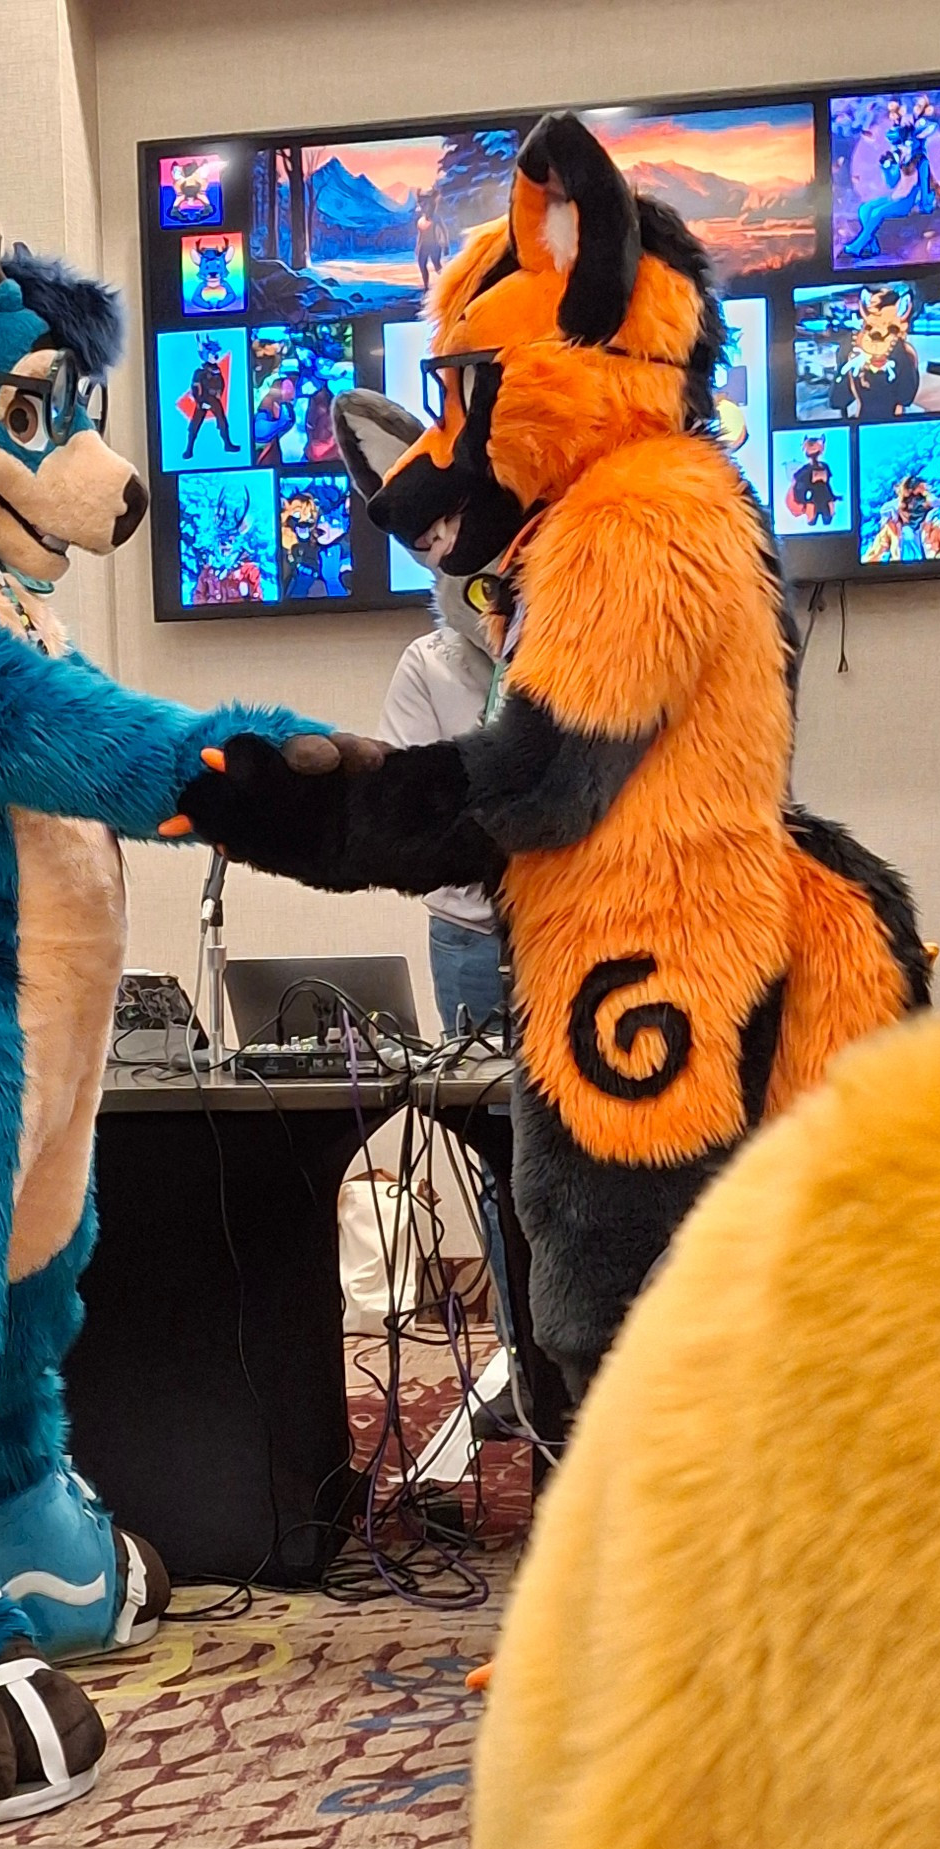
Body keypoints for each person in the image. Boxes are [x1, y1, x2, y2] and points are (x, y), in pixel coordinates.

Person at [378, 572, 525, 1439]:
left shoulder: (573, 649)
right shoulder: (426, 667)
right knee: (496, 1159)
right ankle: (519, 1358)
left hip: (575, 933)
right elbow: (411, 825)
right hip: (469, 940)